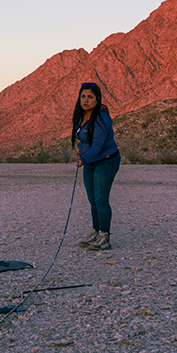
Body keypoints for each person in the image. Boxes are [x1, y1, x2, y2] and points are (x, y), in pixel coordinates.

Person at [71, 82, 121, 251]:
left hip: (106, 160)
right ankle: (96, 231)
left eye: (90, 97)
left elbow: (98, 145)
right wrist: (81, 152)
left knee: (101, 199)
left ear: (97, 99)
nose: (85, 100)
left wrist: (83, 159)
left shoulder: (100, 119)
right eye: (83, 96)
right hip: (90, 161)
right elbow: (84, 139)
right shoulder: (81, 116)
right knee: (92, 199)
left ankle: (105, 236)